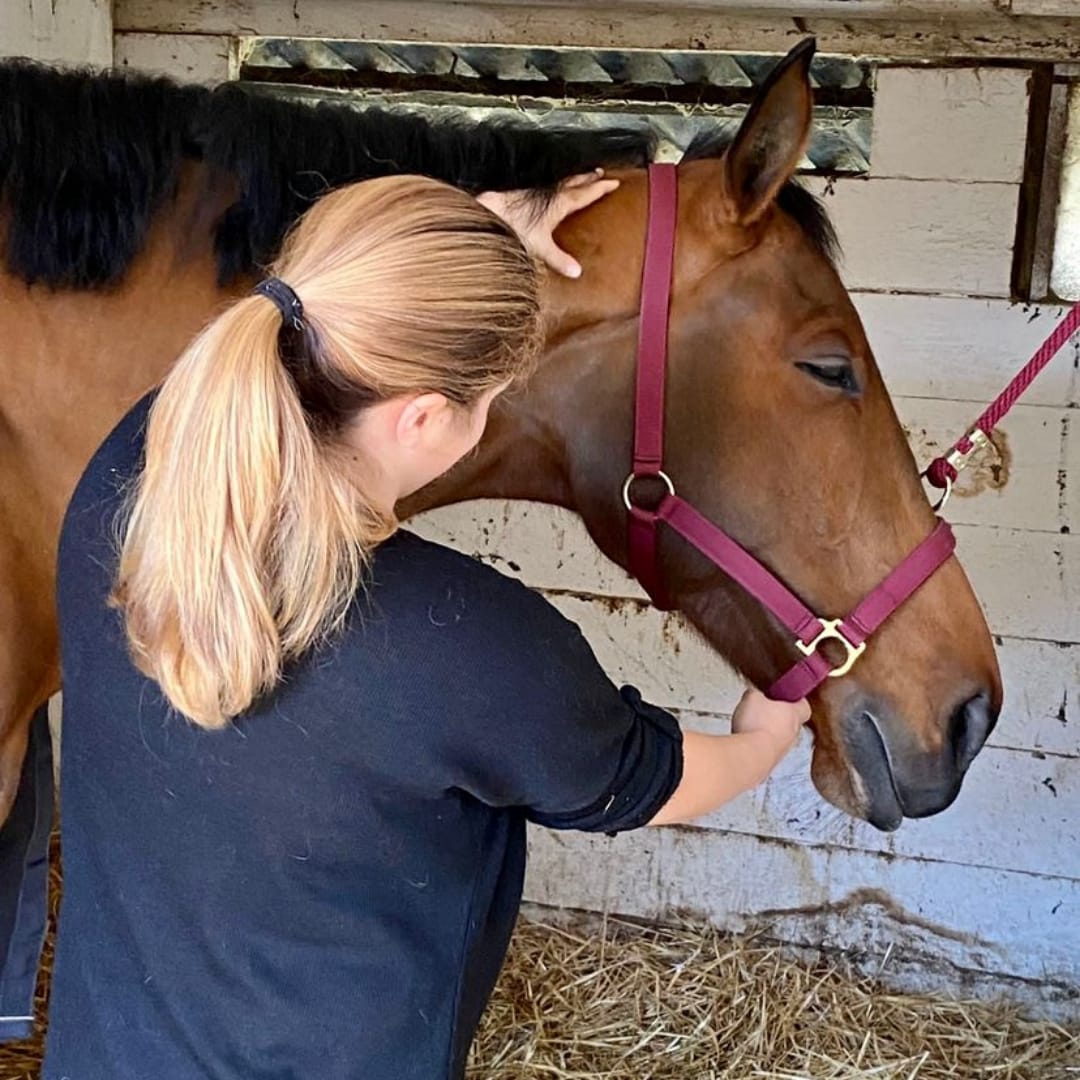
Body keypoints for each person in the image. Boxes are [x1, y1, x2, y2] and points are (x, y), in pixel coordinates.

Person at [45, 172, 809, 1080]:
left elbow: (314, 313)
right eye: (490, 398)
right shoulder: (470, 643)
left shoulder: (115, 493)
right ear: (423, 419)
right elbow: (644, 784)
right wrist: (762, 740)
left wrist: (480, 239)